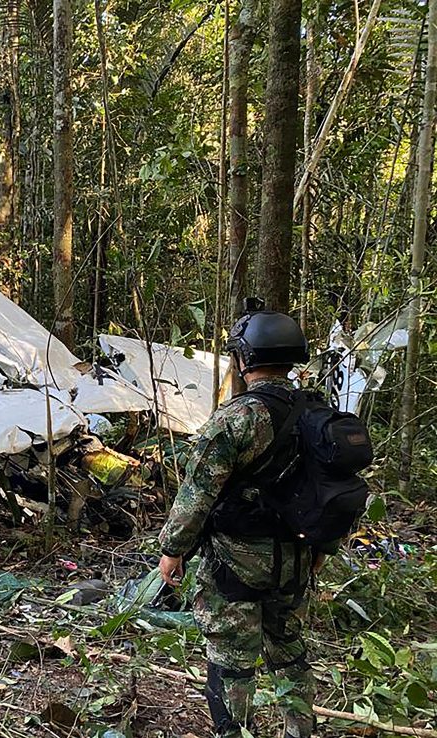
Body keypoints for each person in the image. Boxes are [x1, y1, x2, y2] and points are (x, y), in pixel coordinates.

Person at [156, 308, 329, 738]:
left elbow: (196, 495)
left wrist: (172, 550)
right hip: (297, 557)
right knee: (288, 650)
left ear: (245, 359)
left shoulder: (237, 419)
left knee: (231, 659)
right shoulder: (317, 414)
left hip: (236, 563)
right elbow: (333, 490)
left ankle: (234, 733)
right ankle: (299, 731)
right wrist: (322, 550)